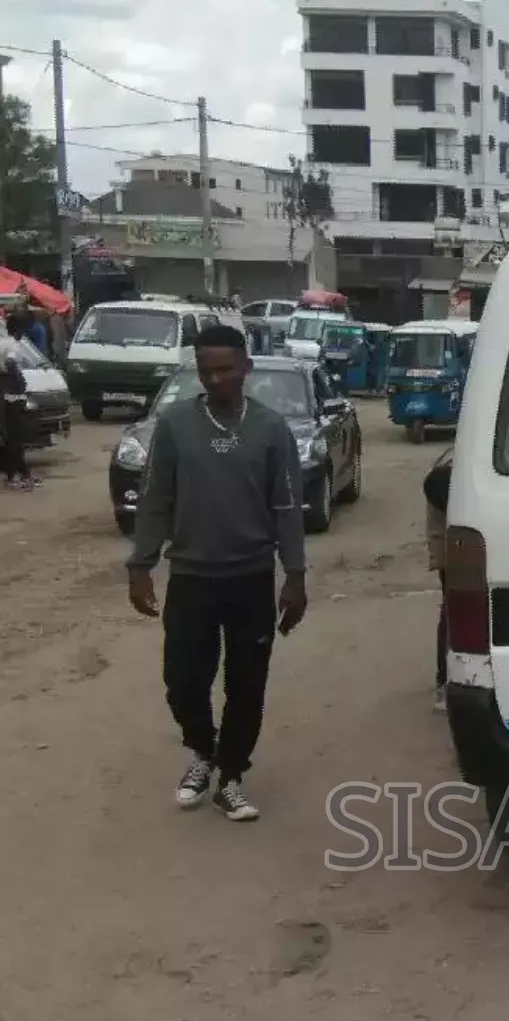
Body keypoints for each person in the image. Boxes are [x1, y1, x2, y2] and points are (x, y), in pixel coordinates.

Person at [127, 323, 308, 822]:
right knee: (183, 682)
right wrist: (140, 565)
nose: (215, 379)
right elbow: (156, 499)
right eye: (206, 371)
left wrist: (295, 575)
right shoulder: (176, 426)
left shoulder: (271, 430)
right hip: (191, 577)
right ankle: (203, 753)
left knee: (247, 683)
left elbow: (287, 507)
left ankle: (230, 777)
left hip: (251, 579)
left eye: (225, 369)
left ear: (246, 368)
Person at [424, 446, 453, 713]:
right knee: (454, 611)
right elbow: (435, 485)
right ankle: (444, 680)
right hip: (452, 545)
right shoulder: (452, 465)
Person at [1, 313, 35, 492]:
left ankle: (20, 474)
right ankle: (16, 476)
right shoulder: (14, 345)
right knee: (17, 437)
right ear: (19, 330)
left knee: (9, 437)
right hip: (14, 396)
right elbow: (11, 362)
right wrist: (18, 380)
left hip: (4, 394)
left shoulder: (2, 343)